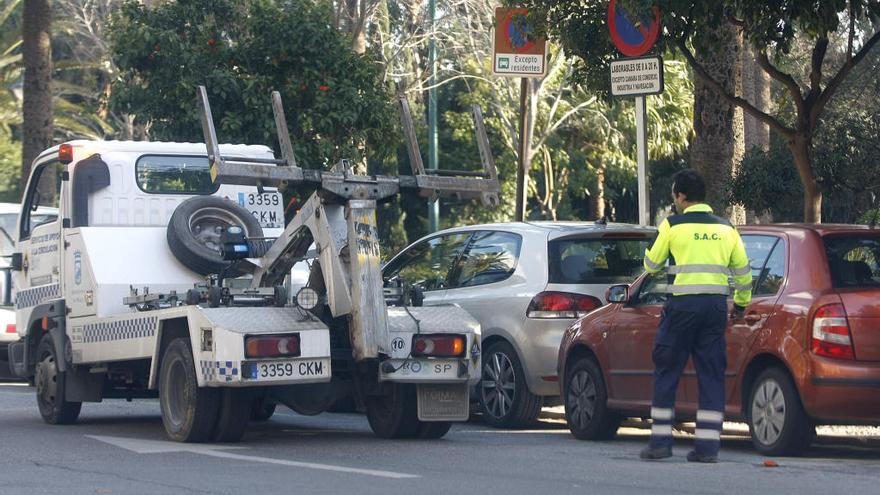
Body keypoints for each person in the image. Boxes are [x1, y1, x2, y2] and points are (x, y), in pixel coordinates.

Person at [639, 169, 752, 463]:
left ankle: (661, 443)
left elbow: (651, 265)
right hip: (715, 309)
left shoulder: (673, 225)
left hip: (682, 308)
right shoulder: (727, 228)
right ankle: (707, 448)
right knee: (712, 374)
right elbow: (743, 272)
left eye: (674, 196)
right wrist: (740, 306)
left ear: (680, 196)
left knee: (667, 369)